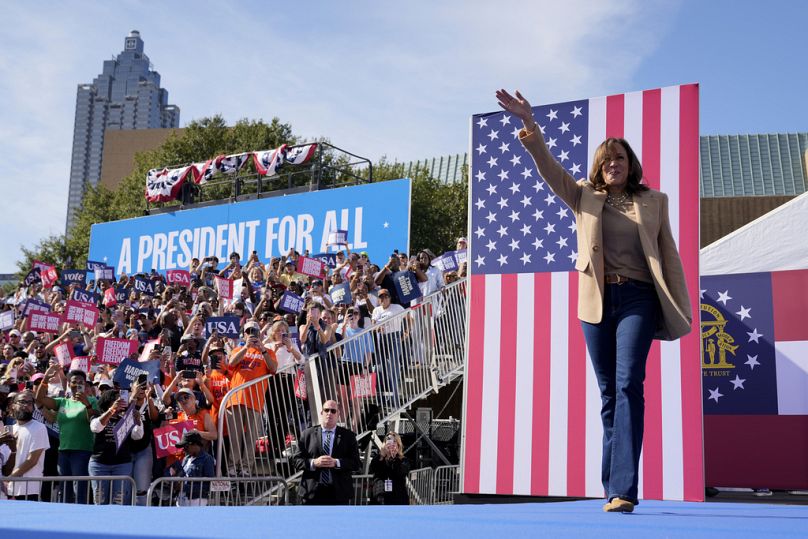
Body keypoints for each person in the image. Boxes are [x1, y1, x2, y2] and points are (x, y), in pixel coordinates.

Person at [497, 89, 692, 513]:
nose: (613, 165)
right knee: (608, 392)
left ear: (630, 164)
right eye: (606, 160)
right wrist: (529, 125)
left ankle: (624, 489)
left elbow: (669, 254)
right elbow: (548, 169)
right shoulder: (584, 195)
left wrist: (677, 303)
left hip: (638, 298)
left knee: (628, 385)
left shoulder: (654, 200)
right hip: (597, 302)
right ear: (598, 168)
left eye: (619, 158)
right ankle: (613, 486)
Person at [35, 366, 98, 503]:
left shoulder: (92, 401)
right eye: (74, 381)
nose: (78, 384)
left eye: (81, 382)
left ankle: (82, 517)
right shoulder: (63, 402)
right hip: (63, 451)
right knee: (65, 488)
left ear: (85, 384)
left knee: (81, 488)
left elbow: (94, 421)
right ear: (69, 384)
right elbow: (39, 398)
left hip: (82, 451)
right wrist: (45, 379)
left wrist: (86, 404)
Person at [292, 400, 359, 505]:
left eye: (333, 411)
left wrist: (336, 462)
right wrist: (314, 463)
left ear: (338, 414)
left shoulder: (349, 436)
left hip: (339, 494)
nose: (329, 413)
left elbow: (356, 463)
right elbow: (296, 460)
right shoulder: (307, 434)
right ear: (321, 413)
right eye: (326, 410)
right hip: (312, 493)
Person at [88, 388, 144, 505]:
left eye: (122, 398)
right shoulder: (98, 415)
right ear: (107, 401)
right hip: (100, 464)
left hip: (122, 464)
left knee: (119, 501)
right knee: (100, 501)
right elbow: (96, 427)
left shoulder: (127, 417)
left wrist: (138, 421)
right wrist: (112, 410)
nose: (120, 401)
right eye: (115, 399)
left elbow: (137, 436)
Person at [7, 391, 50, 500]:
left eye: (29, 403)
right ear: (13, 405)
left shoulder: (39, 428)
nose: (26, 405)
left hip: (28, 488)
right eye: (22, 402)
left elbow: (32, 460)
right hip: (9, 488)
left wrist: (10, 478)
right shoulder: (11, 429)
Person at [170, 431, 215, 506]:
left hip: (196, 500)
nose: (184, 449)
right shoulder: (186, 458)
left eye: (186, 446)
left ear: (194, 444)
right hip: (182, 499)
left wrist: (184, 487)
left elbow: (208, 485)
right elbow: (183, 477)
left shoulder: (207, 459)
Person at [369, 432, 410, 505]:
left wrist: (393, 458)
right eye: (388, 441)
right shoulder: (378, 459)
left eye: (394, 442)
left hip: (397, 499)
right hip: (380, 499)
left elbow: (401, 472)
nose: (391, 445)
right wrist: (382, 455)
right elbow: (373, 469)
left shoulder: (403, 460)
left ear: (398, 445)